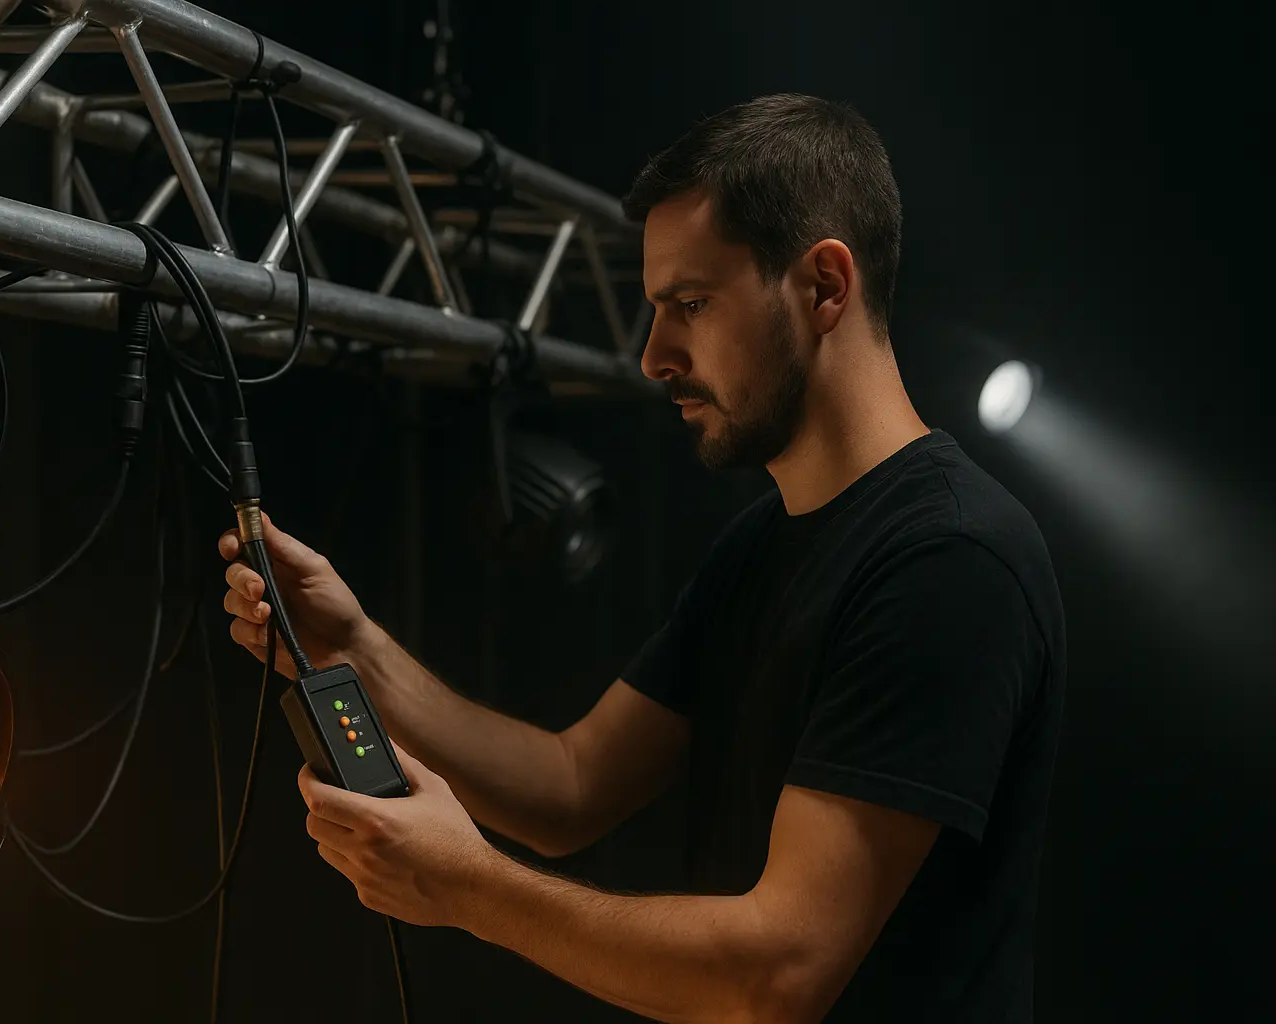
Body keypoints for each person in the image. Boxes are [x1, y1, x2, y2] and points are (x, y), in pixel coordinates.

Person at [219, 93, 1065, 1023]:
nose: (656, 354)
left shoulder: (947, 560)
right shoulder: (763, 542)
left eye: (691, 305)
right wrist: (358, 651)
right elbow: (571, 786)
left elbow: (778, 974)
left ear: (825, 287)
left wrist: (467, 888)